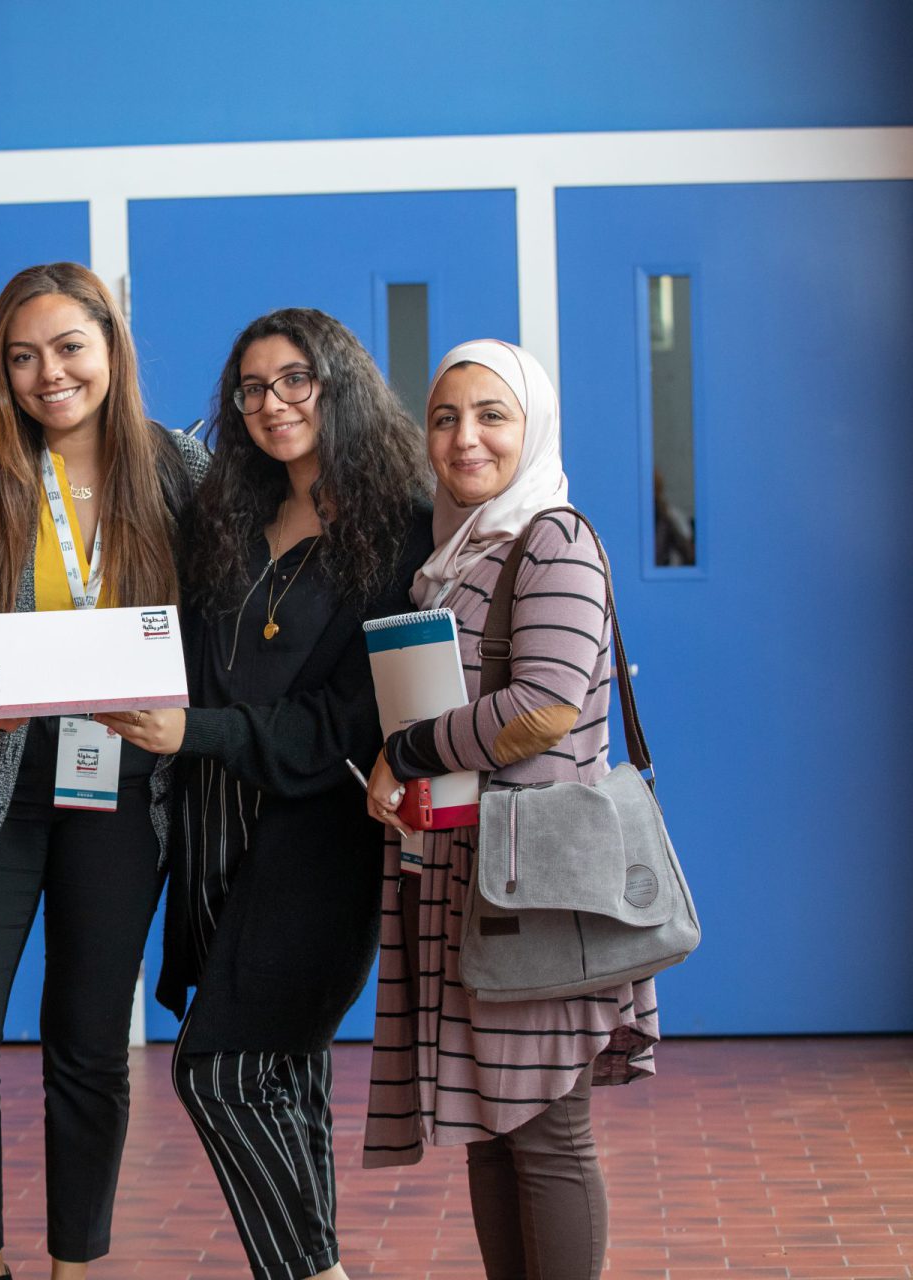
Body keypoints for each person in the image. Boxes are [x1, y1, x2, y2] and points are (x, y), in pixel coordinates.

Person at [100, 309, 430, 1280]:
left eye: (296, 380)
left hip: (318, 842)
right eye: (252, 388)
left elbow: (347, 722)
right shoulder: (227, 512)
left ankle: (312, 1274)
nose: (272, 403)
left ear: (339, 386)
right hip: (214, 832)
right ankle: (312, 1260)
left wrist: (193, 731)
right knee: (285, 1070)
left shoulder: (402, 530)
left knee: (220, 1071)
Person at [0, 262, 207, 1280]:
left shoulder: (180, 472)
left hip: (122, 791)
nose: (50, 374)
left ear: (111, 348)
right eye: (22, 356)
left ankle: (75, 1263)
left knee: (86, 1043)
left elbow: (224, 623)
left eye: (70, 347)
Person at [361, 339, 660, 1279]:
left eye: (493, 415)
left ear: (534, 429)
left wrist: (406, 751)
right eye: (445, 417)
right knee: (491, 1130)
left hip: (537, 880)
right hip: (466, 871)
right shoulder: (454, 553)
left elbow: (543, 708)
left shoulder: (553, 538)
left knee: (545, 1133)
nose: (466, 437)